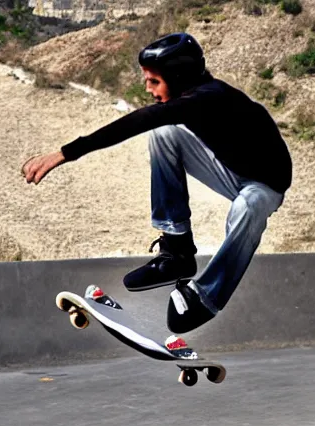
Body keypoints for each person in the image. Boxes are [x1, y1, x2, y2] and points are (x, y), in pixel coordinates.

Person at [22, 32, 292, 334]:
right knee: (164, 134)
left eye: (154, 81)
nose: (148, 89)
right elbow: (155, 121)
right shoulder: (191, 97)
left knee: (249, 205)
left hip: (265, 185)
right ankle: (177, 249)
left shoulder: (208, 97)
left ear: (177, 78)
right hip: (230, 171)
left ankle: (206, 297)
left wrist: (65, 153)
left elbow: (138, 120)